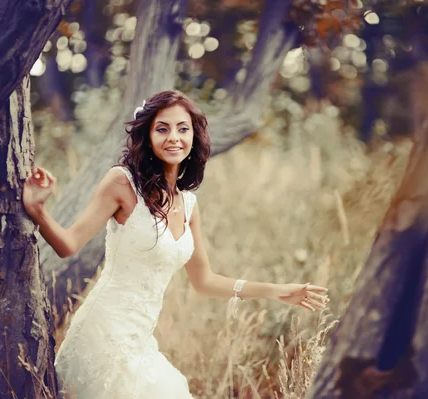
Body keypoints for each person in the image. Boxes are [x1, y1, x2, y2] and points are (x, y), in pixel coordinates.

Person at [22, 90, 329, 398]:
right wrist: (38, 211)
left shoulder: (189, 204)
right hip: (102, 336)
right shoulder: (122, 183)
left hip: (140, 342)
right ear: (148, 136)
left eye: (183, 128)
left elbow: (205, 281)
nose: (174, 138)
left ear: (194, 137)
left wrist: (277, 291)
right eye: (162, 128)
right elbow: (68, 245)